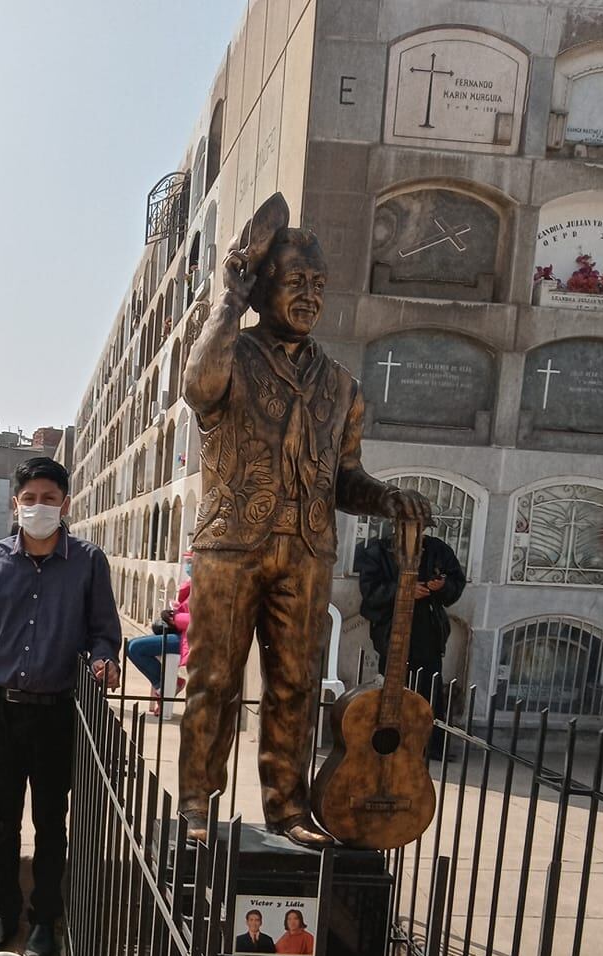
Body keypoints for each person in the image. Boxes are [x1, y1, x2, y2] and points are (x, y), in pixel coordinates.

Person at [178, 191, 431, 848]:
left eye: (319, 285)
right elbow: (196, 387)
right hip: (231, 545)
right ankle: (197, 806)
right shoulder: (231, 352)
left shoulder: (341, 385)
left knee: (295, 685)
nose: (310, 296)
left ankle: (287, 809)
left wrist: (386, 498)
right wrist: (226, 304)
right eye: (296, 282)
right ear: (263, 288)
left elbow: (344, 475)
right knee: (214, 681)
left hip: (307, 552)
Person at [0, 456, 121, 956]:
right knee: (1, 819)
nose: (38, 507)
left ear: (65, 503)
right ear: (15, 504)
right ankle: (4, 911)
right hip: (1, 711)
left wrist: (103, 663)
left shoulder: (88, 561)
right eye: (29, 499)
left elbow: (104, 632)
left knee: (52, 821)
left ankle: (43, 922)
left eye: (49, 499)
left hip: (58, 713)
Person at [356, 528, 466, 758]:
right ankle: (387, 742)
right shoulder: (378, 551)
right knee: (391, 687)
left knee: (429, 690)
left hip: (428, 631)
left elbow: (455, 583)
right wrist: (403, 590)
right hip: (392, 630)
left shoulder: (437, 550)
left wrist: (442, 586)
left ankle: (430, 745)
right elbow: (370, 591)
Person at [126, 565, 192, 715]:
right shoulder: (192, 584)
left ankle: (167, 686)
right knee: (130, 646)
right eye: (187, 561)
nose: (188, 565)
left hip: (189, 639)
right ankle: (164, 687)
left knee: (135, 648)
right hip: (181, 634)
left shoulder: (205, 587)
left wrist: (173, 618)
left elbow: (199, 619)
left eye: (191, 561)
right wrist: (172, 612)